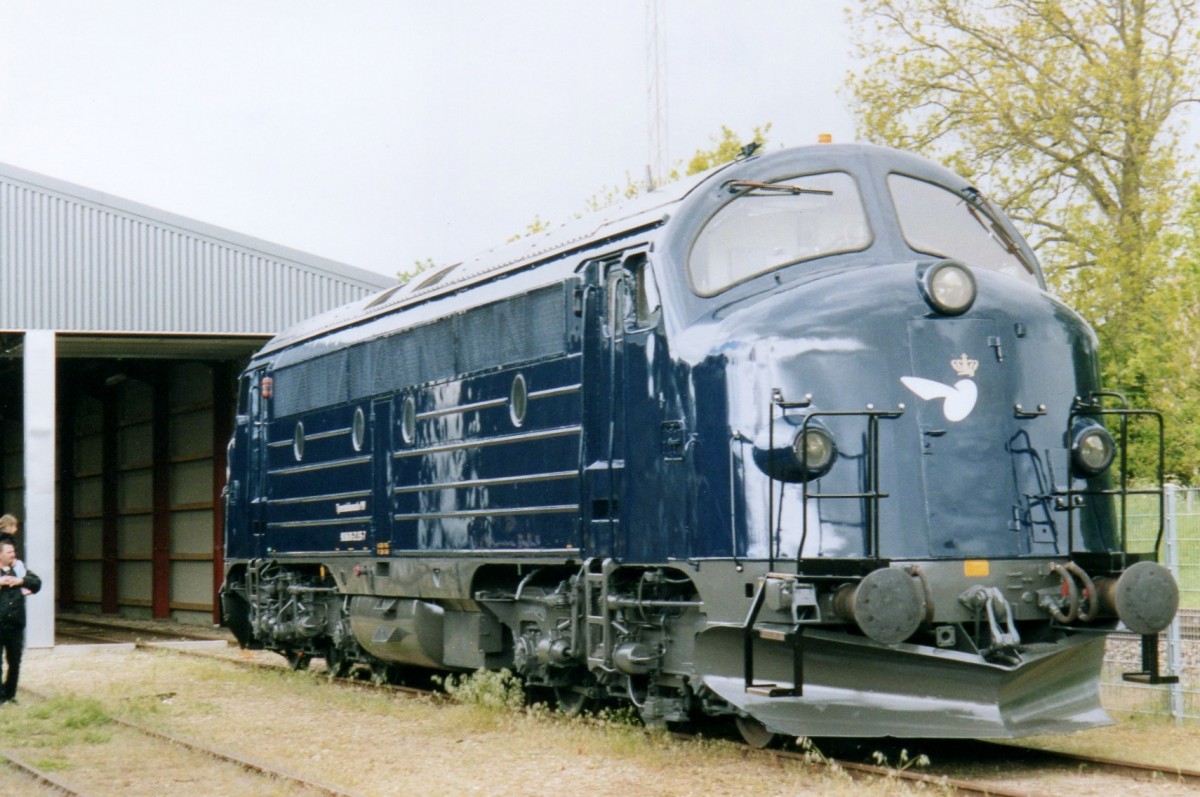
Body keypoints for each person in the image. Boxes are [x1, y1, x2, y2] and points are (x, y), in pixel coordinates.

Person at [0, 540, 40, 703]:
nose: (13, 554)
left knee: (15, 662)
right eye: (9, 552)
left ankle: (10, 694)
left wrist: (21, 581)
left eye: (13, 551)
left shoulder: (20, 570)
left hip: (16, 624)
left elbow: (37, 583)